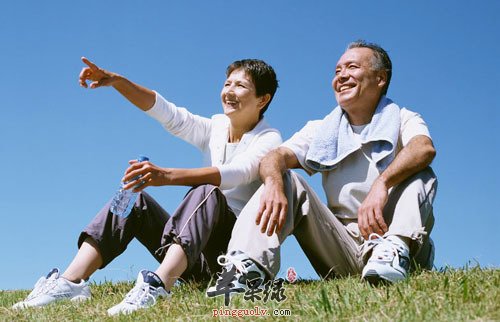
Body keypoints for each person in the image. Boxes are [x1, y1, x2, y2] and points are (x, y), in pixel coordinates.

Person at [13, 57, 282, 315]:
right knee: (137, 200)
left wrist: (166, 176)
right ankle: (70, 283)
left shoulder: (269, 138)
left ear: (263, 99)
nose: (229, 91)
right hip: (190, 251)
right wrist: (118, 82)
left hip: (226, 259)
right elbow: (169, 114)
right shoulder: (217, 127)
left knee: (207, 190)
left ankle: (159, 285)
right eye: (227, 84)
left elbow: (235, 173)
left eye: (240, 85)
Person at [207, 40, 437, 297]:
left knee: (421, 173)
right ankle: (244, 270)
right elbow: (274, 157)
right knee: (283, 177)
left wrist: (381, 183)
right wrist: (273, 184)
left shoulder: (404, 118)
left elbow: (423, 148)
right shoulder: (323, 130)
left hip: (397, 242)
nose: (342, 76)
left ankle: (394, 252)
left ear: (380, 78)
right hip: (344, 247)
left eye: (352, 67)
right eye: (337, 71)